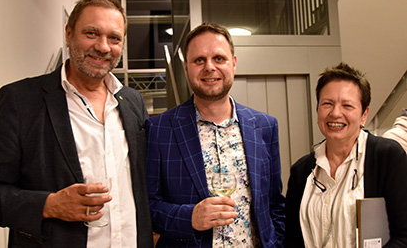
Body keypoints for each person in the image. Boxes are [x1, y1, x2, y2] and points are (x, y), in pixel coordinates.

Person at [0, 0, 153, 248]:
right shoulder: (20, 100)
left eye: (114, 38)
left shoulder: (132, 102)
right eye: (91, 33)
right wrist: (49, 205)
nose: (103, 47)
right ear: (68, 33)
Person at [145, 22, 285, 247]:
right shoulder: (160, 129)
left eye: (219, 58)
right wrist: (190, 217)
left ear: (234, 63)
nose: (209, 67)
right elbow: (148, 207)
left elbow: (275, 205)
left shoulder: (265, 127)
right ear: (186, 67)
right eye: (199, 60)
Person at [284, 63, 407, 247]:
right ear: (317, 109)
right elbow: (292, 240)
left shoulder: (387, 156)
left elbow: (404, 235)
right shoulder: (301, 172)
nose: (335, 113)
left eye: (347, 105)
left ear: (364, 114)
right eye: (327, 104)